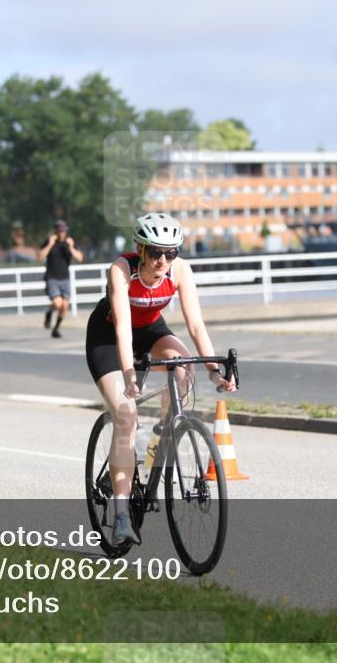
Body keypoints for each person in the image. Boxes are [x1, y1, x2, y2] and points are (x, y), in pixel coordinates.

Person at [84, 213, 235, 545]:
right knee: (125, 415)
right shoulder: (121, 271)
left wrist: (214, 371)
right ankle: (122, 516)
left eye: (172, 252)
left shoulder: (179, 271)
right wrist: (129, 377)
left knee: (183, 367)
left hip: (151, 330)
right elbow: (123, 327)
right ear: (140, 249)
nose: (163, 260)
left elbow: (196, 326)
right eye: (156, 252)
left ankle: (162, 436)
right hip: (108, 337)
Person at [38, 220, 83, 338]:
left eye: (63, 230)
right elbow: (39, 257)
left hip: (65, 279)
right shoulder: (49, 241)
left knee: (64, 306)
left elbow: (80, 258)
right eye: (59, 230)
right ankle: (49, 313)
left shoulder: (69, 243)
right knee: (57, 304)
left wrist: (72, 247)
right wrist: (50, 244)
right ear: (55, 231)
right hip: (52, 277)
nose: (62, 232)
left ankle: (56, 328)